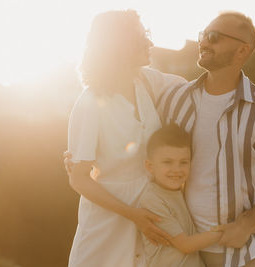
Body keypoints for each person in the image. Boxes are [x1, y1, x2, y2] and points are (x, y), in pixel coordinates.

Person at [157, 11, 255, 267]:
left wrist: (247, 224)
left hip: (248, 252)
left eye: (214, 37)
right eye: (203, 35)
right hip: (189, 251)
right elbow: (148, 146)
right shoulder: (175, 99)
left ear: (242, 51)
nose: (203, 43)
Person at [66, 10, 186, 267]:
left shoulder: (148, 82)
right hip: (106, 222)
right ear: (120, 46)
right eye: (143, 38)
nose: (151, 43)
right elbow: (78, 179)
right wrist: (133, 215)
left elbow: (196, 89)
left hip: (150, 215)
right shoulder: (89, 103)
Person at [140, 124, 223, 267]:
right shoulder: (153, 199)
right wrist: (225, 232)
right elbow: (185, 245)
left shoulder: (184, 192)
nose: (176, 170)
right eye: (167, 162)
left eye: (183, 162)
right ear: (150, 166)